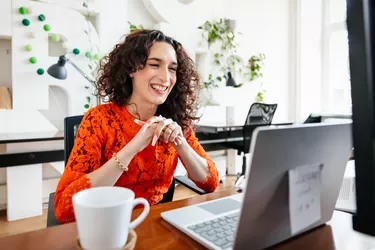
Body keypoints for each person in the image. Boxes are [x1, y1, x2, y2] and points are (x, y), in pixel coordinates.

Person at [54, 29, 219, 223]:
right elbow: (63, 208)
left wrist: (180, 142)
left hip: (156, 224)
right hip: (108, 224)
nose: (166, 78)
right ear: (131, 69)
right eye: (154, 65)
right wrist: (134, 146)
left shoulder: (176, 120)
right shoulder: (99, 120)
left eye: (172, 68)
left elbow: (211, 183)